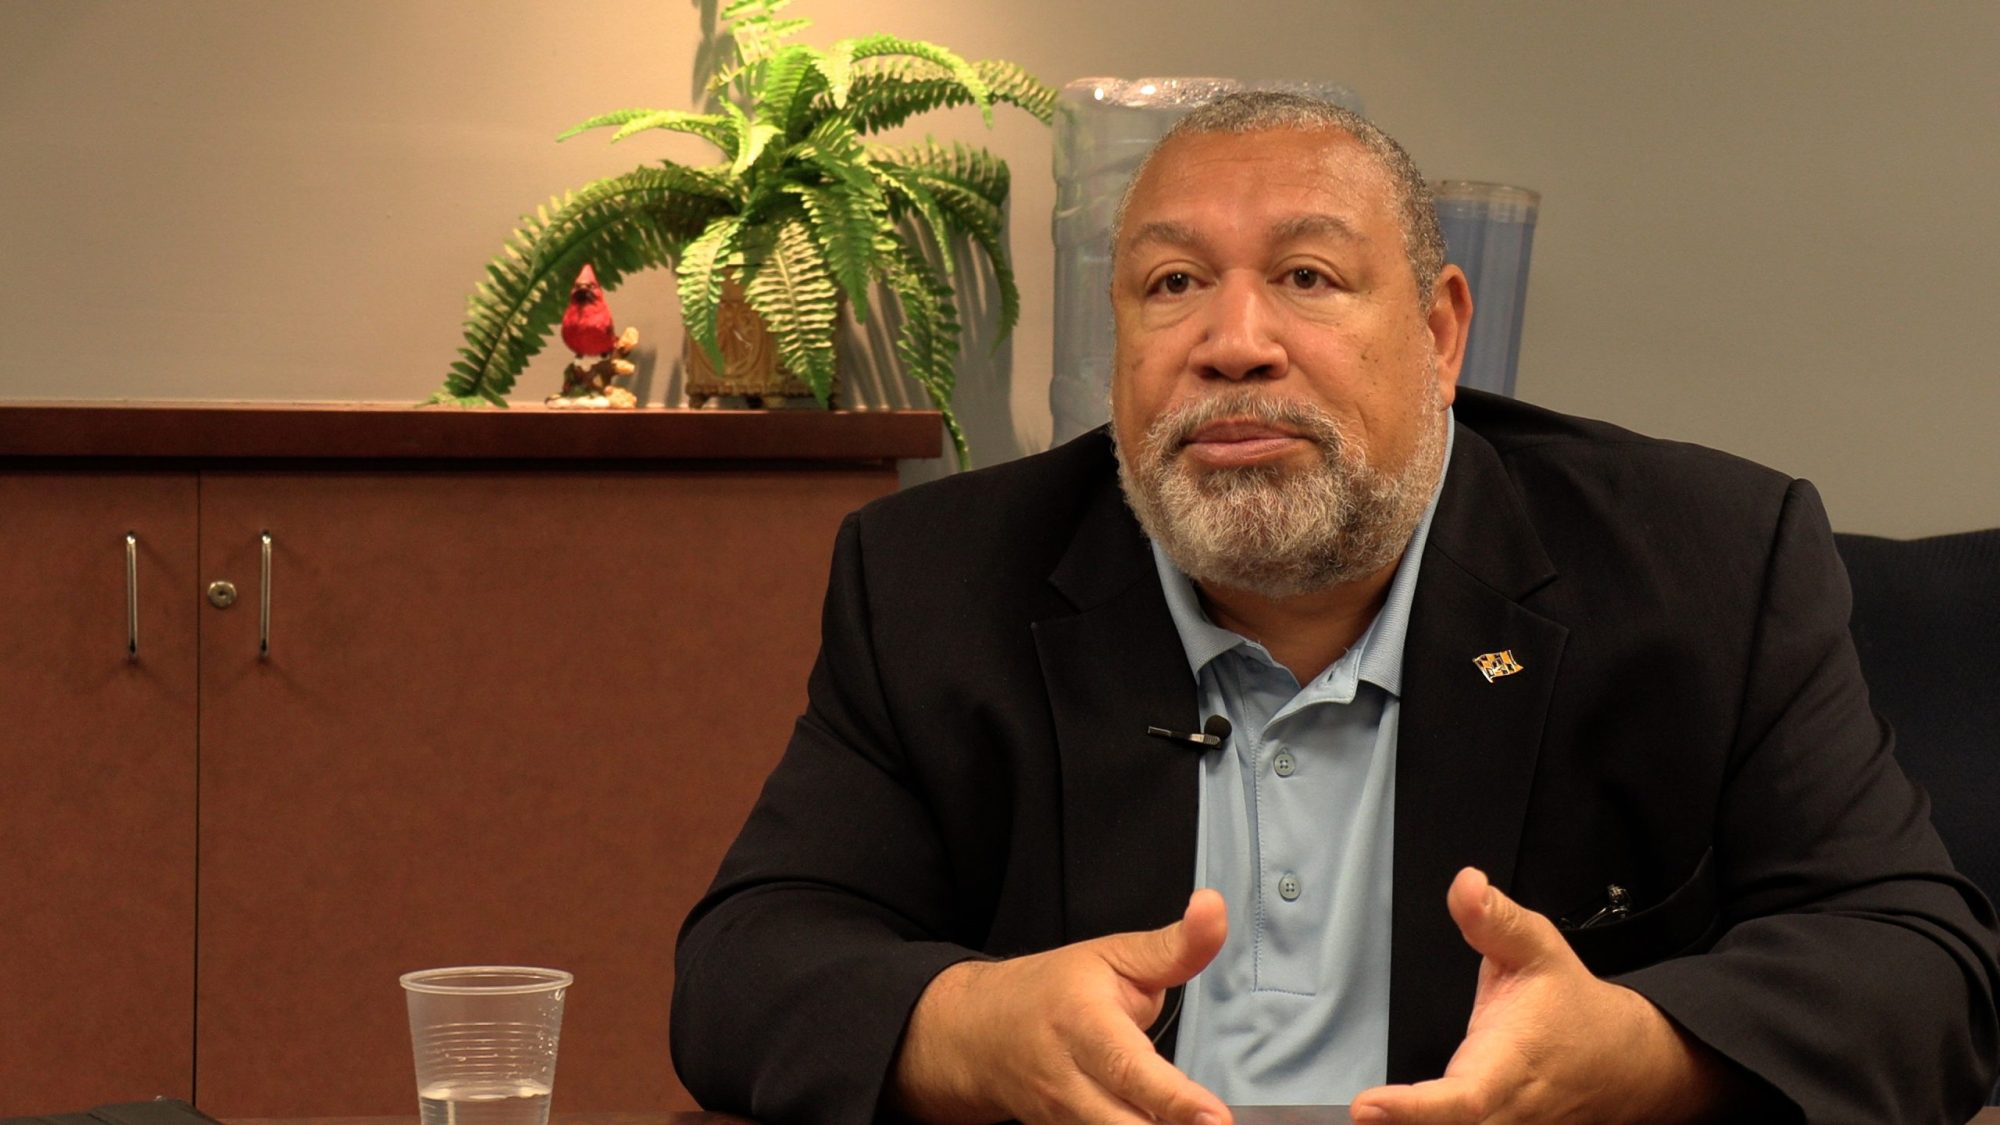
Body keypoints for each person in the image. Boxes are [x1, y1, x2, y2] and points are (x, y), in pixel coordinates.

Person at [670, 92, 2000, 1123]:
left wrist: (1641, 1056)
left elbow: (1920, 965)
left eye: (1307, 276)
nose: (1232, 339)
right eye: (1171, 284)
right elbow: (744, 966)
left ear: (1439, 335)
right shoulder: (935, 581)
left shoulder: (1708, 565)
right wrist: (969, 1028)